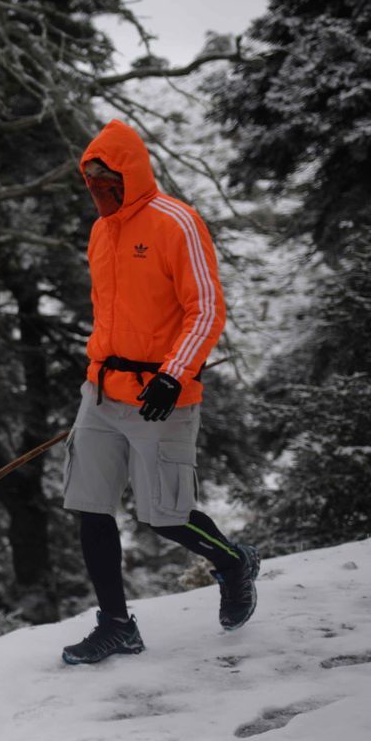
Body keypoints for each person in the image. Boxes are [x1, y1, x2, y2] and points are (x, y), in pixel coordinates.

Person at [59, 119, 259, 666]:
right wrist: (97, 374)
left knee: (166, 515)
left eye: (107, 182)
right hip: (102, 391)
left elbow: (207, 308)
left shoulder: (177, 222)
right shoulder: (100, 232)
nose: (98, 192)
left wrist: (174, 374)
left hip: (162, 394)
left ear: (130, 174)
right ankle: (117, 626)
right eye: (91, 183)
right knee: (90, 507)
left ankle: (233, 562)